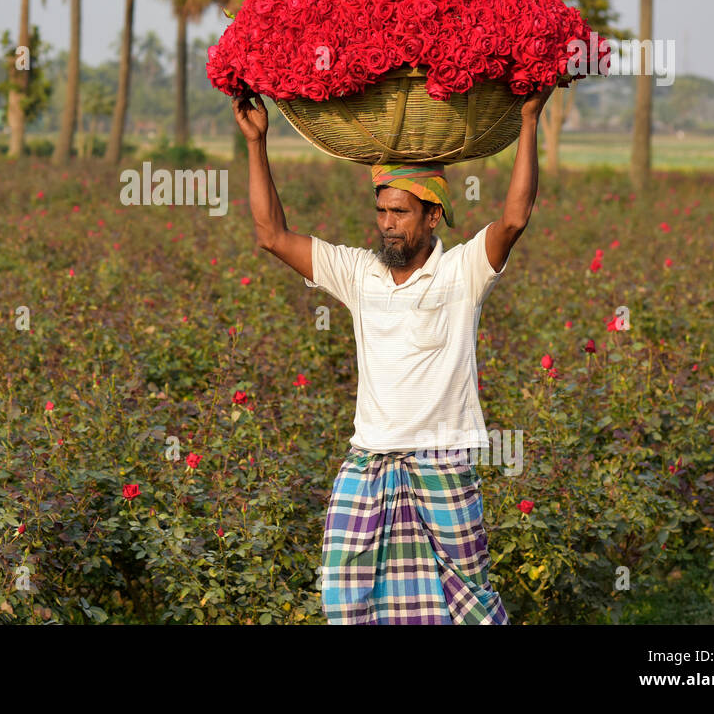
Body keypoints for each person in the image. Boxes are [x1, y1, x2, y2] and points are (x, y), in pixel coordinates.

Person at [231, 85, 554, 624]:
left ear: (433, 217)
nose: (387, 223)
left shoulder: (462, 273)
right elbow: (271, 235)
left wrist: (527, 118)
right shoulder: (359, 273)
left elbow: (514, 219)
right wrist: (257, 144)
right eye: (381, 211)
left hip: (444, 462)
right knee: (346, 596)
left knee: (468, 599)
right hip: (371, 461)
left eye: (400, 212)